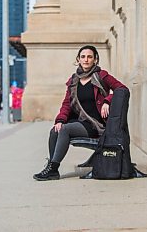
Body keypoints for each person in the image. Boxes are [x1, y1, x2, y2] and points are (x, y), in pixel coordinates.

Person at [33, 45, 127, 181]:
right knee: (55, 130)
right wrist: (60, 120)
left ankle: (53, 168)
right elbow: (66, 104)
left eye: (90, 57)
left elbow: (122, 89)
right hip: (81, 122)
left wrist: (107, 100)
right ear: (78, 59)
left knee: (65, 130)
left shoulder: (102, 76)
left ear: (95, 60)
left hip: (97, 125)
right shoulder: (73, 80)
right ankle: (52, 168)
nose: (86, 60)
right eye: (83, 57)